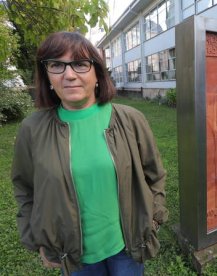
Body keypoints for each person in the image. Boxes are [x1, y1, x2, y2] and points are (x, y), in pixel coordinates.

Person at [11, 31, 168, 275]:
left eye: (80, 64)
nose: (69, 75)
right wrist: (36, 239)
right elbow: (24, 188)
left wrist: (155, 217)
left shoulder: (131, 119)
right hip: (75, 256)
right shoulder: (32, 130)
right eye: (56, 65)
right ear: (47, 76)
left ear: (97, 73)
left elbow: (155, 174)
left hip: (127, 248)